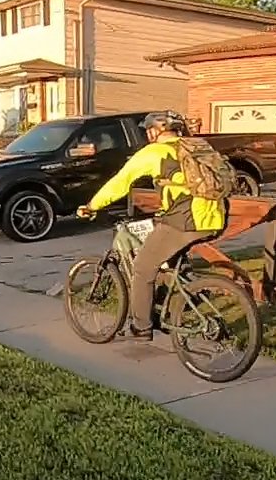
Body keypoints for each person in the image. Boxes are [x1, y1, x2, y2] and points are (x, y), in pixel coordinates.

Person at [77, 110, 227, 337]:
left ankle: (141, 326)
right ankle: (178, 305)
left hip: (185, 219)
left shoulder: (154, 153)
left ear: (156, 131)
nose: (147, 135)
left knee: (143, 268)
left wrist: (92, 205)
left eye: (148, 130)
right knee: (166, 264)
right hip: (214, 216)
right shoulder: (194, 147)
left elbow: (121, 182)